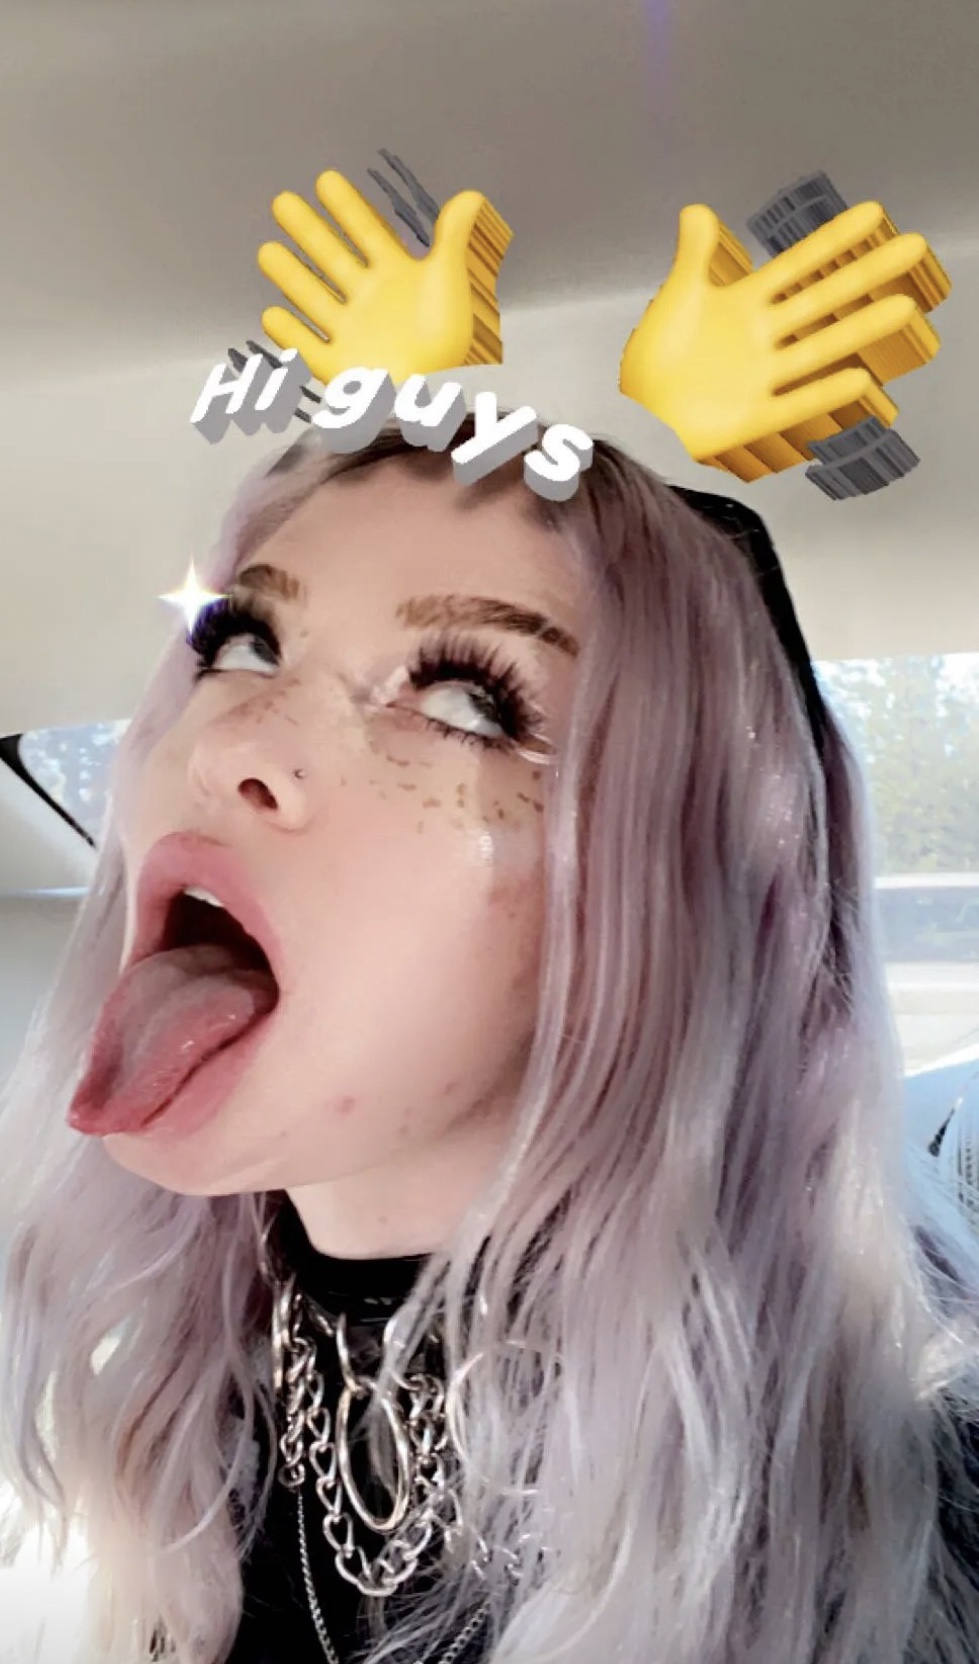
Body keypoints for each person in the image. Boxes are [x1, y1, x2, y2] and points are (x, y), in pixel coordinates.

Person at [2, 414, 979, 1664]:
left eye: (466, 697)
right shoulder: (170, 1415)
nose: (232, 739)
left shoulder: (904, 1501)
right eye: (243, 640)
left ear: (668, 907)